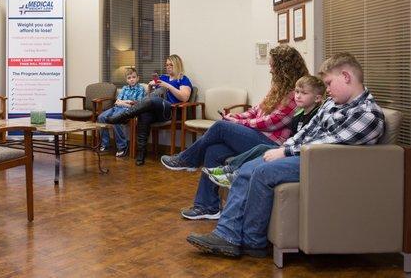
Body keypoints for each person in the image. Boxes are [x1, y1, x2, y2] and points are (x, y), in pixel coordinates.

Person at [186, 52, 385, 258]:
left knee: (262, 171)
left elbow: (328, 144)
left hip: (323, 163)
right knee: (247, 168)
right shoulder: (331, 104)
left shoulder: (367, 114)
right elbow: (305, 133)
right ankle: (228, 235)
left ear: (346, 77)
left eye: (328, 83)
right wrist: (285, 148)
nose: (326, 90)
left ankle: (252, 241)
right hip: (307, 155)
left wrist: (285, 151)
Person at [160, 44, 308, 220]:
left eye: (273, 66)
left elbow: (272, 122)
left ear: (284, 68)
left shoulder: (295, 93)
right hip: (258, 136)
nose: (270, 70)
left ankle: (187, 159)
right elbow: (255, 110)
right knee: (213, 151)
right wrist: (235, 118)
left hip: (270, 144)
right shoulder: (278, 88)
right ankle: (207, 207)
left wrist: (240, 123)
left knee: (220, 127)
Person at [202, 75, 325, 188]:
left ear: (318, 98)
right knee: (261, 147)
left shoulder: (317, 116)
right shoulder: (298, 115)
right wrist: (238, 117)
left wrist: (283, 150)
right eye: (297, 92)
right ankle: (228, 168)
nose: (297, 96)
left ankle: (230, 172)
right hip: (287, 147)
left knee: (221, 127)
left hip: (296, 153)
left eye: (303, 93)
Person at [106, 54, 192, 166]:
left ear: (177, 65)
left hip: (171, 110)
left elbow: (184, 97)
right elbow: (150, 96)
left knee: (151, 101)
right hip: (156, 109)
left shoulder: (183, 79)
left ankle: (123, 116)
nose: (168, 67)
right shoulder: (163, 77)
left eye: (171, 65)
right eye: (166, 65)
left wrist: (167, 85)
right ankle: (141, 154)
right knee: (144, 114)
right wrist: (151, 87)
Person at [97, 67, 146, 157]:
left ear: (138, 78)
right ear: (126, 80)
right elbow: (117, 101)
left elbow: (136, 104)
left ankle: (122, 146)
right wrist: (126, 102)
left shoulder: (141, 89)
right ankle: (105, 144)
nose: (131, 79)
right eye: (129, 78)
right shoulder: (124, 88)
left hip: (128, 111)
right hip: (117, 108)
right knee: (101, 117)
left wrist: (123, 102)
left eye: (133, 77)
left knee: (116, 119)